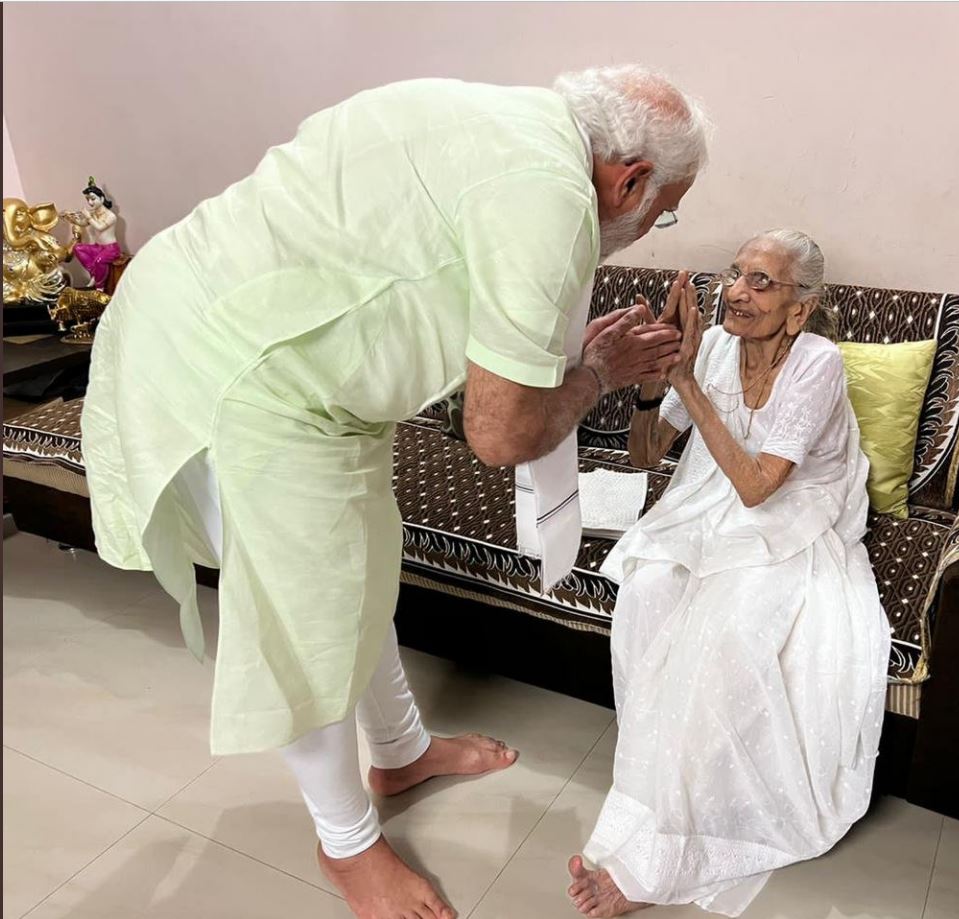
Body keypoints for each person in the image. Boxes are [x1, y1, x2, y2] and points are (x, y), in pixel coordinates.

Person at [79, 66, 710, 919]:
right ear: (628, 180)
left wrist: (574, 365)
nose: (650, 226)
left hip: (297, 366)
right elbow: (501, 433)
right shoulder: (550, 199)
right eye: (662, 208)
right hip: (240, 370)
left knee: (359, 569)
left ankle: (401, 750)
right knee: (306, 616)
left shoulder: (505, 115)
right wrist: (596, 373)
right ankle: (346, 844)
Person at [567, 230, 891, 917]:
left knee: (725, 635)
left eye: (761, 282)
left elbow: (757, 488)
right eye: (734, 275)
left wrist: (687, 380)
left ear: (799, 308)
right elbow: (646, 456)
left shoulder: (817, 363)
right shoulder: (712, 347)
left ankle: (659, 861)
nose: (737, 292)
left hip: (794, 518)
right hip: (711, 506)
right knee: (648, 592)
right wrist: (658, 384)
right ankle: (651, 795)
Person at [64, 177, 121, 289]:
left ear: (102, 198)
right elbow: (83, 223)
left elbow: (99, 227)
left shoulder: (110, 216)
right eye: (88, 200)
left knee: (99, 261)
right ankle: (95, 273)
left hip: (111, 249)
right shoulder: (94, 213)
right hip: (98, 247)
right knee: (78, 248)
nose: (90, 203)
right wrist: (70, 218)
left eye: (93, 199)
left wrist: (89, 216)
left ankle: (100, 287)